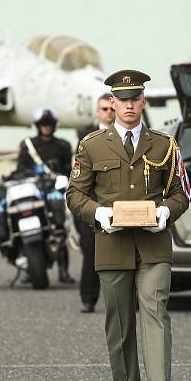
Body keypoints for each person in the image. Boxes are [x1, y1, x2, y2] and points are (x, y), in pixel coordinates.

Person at [66, 70, 190, 381]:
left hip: (153, 244)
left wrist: (166, 212)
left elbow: (182, 191)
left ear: (143, 102)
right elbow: (75, 195)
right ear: (112, 104)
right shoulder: (92, 145)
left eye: (136, 98)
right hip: (112, 245)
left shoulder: (165, 145)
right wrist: (100, 214)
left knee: (155, 308)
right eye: (123, 99)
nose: (129, 104)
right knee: (119, 327)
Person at [17, 107, 75, 284]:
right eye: (43, 124)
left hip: (55, 192)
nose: (46, 127)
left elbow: (68, 171)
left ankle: (63, 271)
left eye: (49, 124)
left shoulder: (63, 146)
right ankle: (29, 267)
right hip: (33, 191)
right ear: (37, 125)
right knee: (23, 225)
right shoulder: (27, 144)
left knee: (60, 227)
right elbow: (20, 169)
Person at [75, 94, 115, 312]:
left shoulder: (125, 135)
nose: (108, 112)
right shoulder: (85, 137)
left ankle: (130, 300)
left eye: (111, 108)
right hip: (92, 203)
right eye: (104, 109)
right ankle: (88, 299)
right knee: (90, 251)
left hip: (118, 202)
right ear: (97, 112)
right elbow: (81, 174)